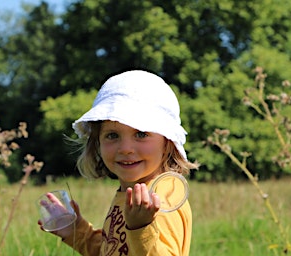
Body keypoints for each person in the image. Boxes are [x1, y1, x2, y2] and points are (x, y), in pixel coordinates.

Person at [38, 70, 198, 255]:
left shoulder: (161, 197)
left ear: (168, 141)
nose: (125, 148)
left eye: (141, 134)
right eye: (112, 135)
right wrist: (76, 231)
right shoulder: (131, 192)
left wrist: (142, 228)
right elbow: (111, 250)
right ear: (97, 143)